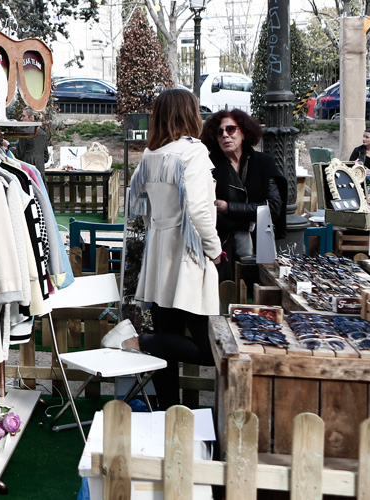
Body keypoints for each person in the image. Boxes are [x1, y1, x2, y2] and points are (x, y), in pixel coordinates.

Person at [102, 89, 222, 410]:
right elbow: (198, 210)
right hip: (188, 255)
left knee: (166, 351)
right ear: (190, 114)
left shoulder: (151, 155)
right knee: (210, 348)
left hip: (160, 255)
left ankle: (170, 417)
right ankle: (135, 341)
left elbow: (135, 203)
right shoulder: (191, 152)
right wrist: (214, 248)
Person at [200, 109, 287, 283]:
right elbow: (207, 213)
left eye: (231, 129)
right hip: (221, 249)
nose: (225, 135)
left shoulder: (263, 163)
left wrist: (228, 208)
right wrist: (248, 221)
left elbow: (273, 208)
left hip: (261, 246)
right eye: (219, 132)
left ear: (244, 132)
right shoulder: (208, 167)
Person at [3, 107, 50, 187]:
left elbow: (18, 155)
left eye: (24, 116)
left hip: (27, 172)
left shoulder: (25, 133)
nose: (21, 119)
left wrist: (8, 145)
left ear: (32, 117)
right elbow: (46, 157)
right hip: (40, 172)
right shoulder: (43, 134)